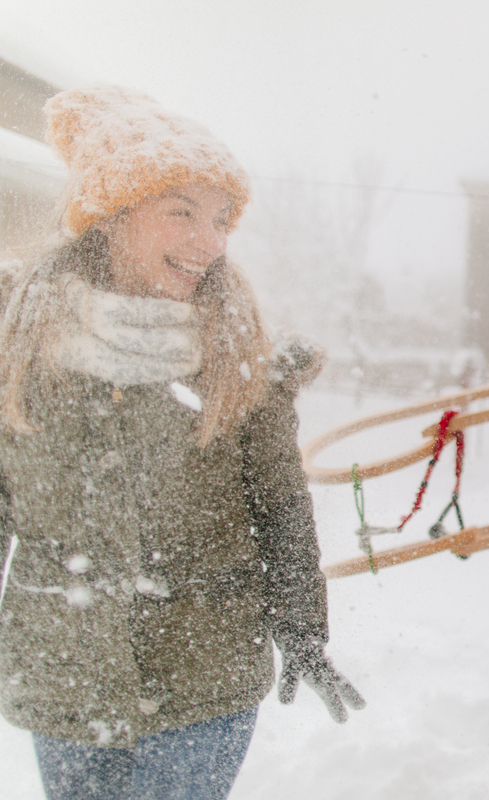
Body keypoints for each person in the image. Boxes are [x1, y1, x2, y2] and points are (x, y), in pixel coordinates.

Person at [0, 84, 363, 800]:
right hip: (64, 665)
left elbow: (280, 508)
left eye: (222, 219)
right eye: (183, 212)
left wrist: (301, 628)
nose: (211, 242)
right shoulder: (20, 342)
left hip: (204, 676)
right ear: (110, 216)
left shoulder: (237, 352)